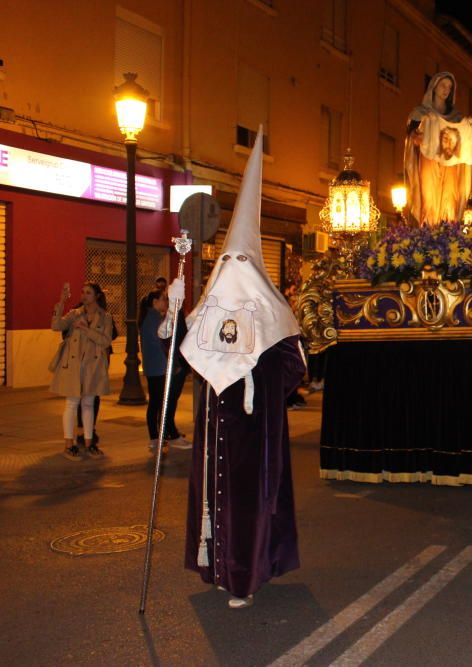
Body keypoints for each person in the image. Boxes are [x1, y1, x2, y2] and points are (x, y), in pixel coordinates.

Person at [167, 132, 305, 609]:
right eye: (226, 262)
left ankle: (246, 573)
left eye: (239, 262)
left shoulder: (275, 314)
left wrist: (259, 375)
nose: (231, 268)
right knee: (214, 497)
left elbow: (295, 368)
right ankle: (217, 567)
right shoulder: (208, 309)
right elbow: (185, 354)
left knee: (247, 503)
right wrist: (176, 312)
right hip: (213, 426)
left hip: (253, 429)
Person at [50, 282, 113, 461]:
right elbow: (56, 325)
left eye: (88, 293)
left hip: (93, 366)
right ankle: (69, 444)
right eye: (82, 292)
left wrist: (86, 329)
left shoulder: (105, 317)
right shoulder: (74, 314)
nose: (84, 296)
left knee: (88, 403)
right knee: (71, 404)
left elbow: (106, 341)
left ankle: (88, 443)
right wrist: (61, 302)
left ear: (97, 296)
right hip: (74, 365)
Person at [404, 72, 472, 225]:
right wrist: (421, 132)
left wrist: (467, 124)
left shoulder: (456, 117)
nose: (446, 90)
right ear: (434, 87)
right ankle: (428, 230)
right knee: (429, 196)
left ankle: (446, 230)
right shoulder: (420, 113)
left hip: (450, 164)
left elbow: (462, 136)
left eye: (449, 87)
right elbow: (412, 138)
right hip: (428, 160)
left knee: (449, 196)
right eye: (443, 85)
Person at [140, 289, 189, 452]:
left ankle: (159, 435)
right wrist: (172, 363)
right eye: (163, 299)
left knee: (157, 402)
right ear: (155, 302)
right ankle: (158, 436)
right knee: (159, 403)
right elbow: (161, 342)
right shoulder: (153, 319)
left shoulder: (151, 318)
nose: (166, 303)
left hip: (155, 367)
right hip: (159, 367)